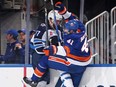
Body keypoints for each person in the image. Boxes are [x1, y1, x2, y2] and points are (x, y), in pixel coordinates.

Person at [22, 2, 92, 87]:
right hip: (85, 61)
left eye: (67, 30)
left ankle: (34, 80)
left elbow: (65, 50)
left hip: (74, 62)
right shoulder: (81, 29)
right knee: (69, 75)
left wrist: (52, 49)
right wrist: (63, 11)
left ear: (72, 31)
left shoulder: (70, 38)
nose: (65, 30)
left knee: (47, 59)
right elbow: (72, 19)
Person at [23, 10, 64, 87]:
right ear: (50, 20)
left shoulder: (60, 29)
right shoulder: (43, 27)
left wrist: (57, 47)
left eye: (59, 21)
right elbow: (37, 43)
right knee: (42, 71)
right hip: (37, 51)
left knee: (45, 75)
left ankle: (36, 81)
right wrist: (45, 50)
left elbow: (61, 43)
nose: (58, 23)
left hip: (49, 52)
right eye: (57, 21)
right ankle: (36, 81)